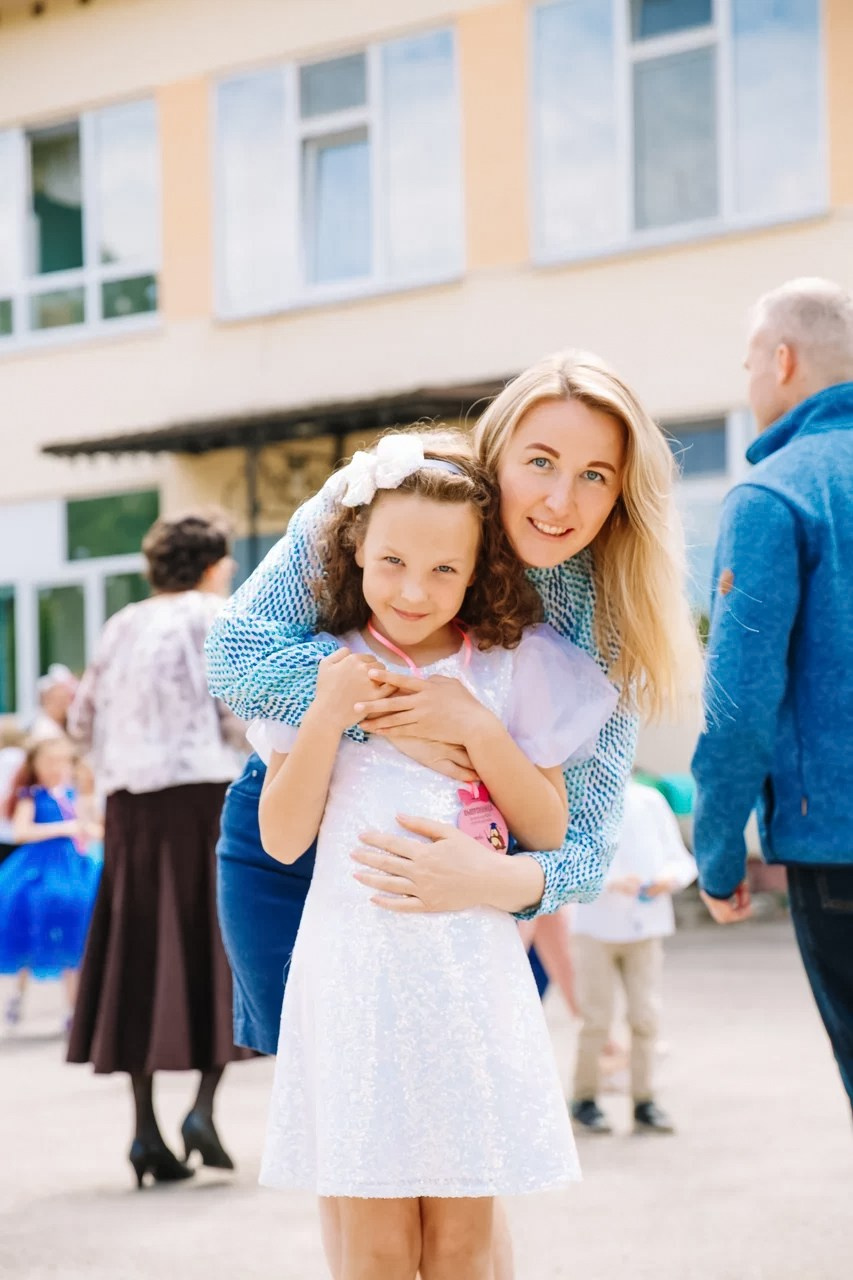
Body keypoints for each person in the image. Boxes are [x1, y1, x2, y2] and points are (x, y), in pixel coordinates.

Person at [207, 352, 703, 1275]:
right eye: (541, 460)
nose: (559, 498)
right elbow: (234, 654)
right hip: (303, 870)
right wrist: (388, 722)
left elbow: (578, 842)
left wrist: (491, 849)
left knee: (458, 1185)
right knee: (359, 1178)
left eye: (595, 476)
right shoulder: (395, 493)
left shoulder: (596, 623)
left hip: (460, 892)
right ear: (495, 450)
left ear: (622, 498)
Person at [251, 431, 620, 1278]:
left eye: (443, 571)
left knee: (462, 1237)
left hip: (465, 975)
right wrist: (324, 712)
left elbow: (550, 829)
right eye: (390, 563)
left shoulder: (511, 667)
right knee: (374, 1240)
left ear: (480, 567)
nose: (413, 591)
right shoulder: (319, 665)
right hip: (354, 977)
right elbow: (281, 837)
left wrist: (477, 729)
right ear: (354, 554)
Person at [691, 278, 853, 1117]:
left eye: (750, 360)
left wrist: (718, 854)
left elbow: (739, 701)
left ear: (783, 361)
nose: (749, 378)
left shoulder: (775, 493)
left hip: (839, 851)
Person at [66, 511, 253, 1188]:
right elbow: (242, 714)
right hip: (203, 800)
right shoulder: (219, 614)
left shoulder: (121, 624)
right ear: (212, 562)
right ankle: (202, 1108)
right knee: (216, 945)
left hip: (130, 808)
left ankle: (144, 1128)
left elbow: (81, 721)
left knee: (136, 955)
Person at [570, 777, 697, 1135]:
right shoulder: (581, 796)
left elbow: (680, 860)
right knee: (596, 1018)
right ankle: (584, 1099)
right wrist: (611, 881)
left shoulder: (649, 800)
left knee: (645, 1016)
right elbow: (569, 858)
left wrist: (666, 879)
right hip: (595, 927)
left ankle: (644, 1100)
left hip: (646, 927)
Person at [0, 736, 102, 1030]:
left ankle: (75, 1010)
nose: (57, 768)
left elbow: (89, 825)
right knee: (30, 931)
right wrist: (65, 828)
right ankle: (18, 994)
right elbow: (21, 831)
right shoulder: (31, 795)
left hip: (74, 869)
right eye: (50, 762)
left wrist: (90, 829)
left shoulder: (71, 794)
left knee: (73, 935)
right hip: (40, 870)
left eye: (62, 762)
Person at [29, 664, 78, 742]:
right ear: (46, 701)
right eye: (60, 701)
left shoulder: (66, 726)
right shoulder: (45, 731)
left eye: (66, 700)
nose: (65, 706)